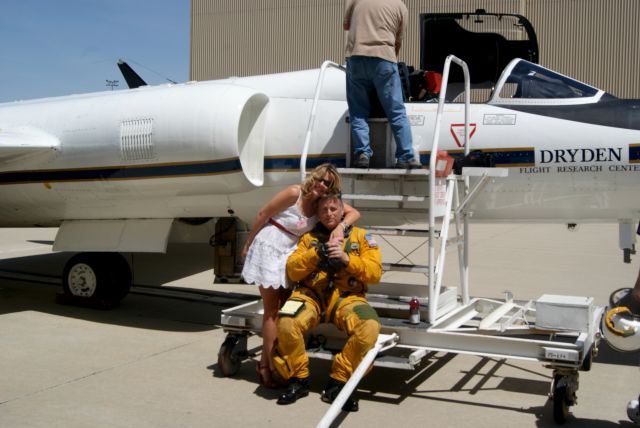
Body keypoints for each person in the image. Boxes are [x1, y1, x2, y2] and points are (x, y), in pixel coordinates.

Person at [241, 164, 360, 389]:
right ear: (313, 177)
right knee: (272, 310)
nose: (322, 185)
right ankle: (268, 367)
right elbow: (263, 213)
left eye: (328, 184)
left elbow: (354, 212)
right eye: (321, 180)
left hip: (289, 252)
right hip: (270, 245)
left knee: (286, 310)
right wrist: (247, 243)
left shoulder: (320, 206)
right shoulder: (295, 193)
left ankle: (271, 361)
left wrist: (340, 227)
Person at [273, 192, 382, 411]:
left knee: (369, 326)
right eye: (323, 210)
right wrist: (316, 254)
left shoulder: (362, 237)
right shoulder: (308, 239)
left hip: (347, 298)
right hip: (310, 296)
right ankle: (298, 380)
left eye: (333, 209)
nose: (329, 213)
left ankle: (339, 382)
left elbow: (375, 273)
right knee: (286, 320)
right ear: (318, 214)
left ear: (343, 212)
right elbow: (293, 271)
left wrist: (346, 260)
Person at [344, 0, 421, 169]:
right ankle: (406, 156)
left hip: (356, 57)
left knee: (358, 112)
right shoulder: (400, 6)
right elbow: (397, 42)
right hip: (384, 58)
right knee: (396, 112)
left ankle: (363, 153)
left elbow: (346, 26)